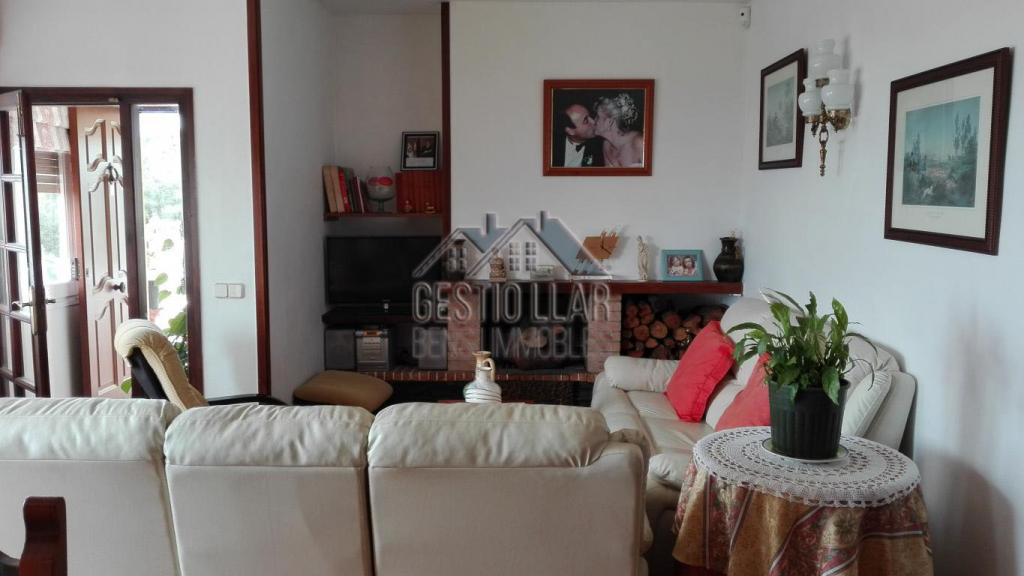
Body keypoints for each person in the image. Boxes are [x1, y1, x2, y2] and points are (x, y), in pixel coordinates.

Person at [594, 93, 645, 167]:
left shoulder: (639, 143)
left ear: (610, 122)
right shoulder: (606, 146)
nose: (594, 121)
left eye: (597, 117)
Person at [552, 102, 605, 167]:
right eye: (586, 121)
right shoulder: (552, 145)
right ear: (570, 131)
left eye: (590, 116)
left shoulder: (601, 145)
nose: (593, 122)